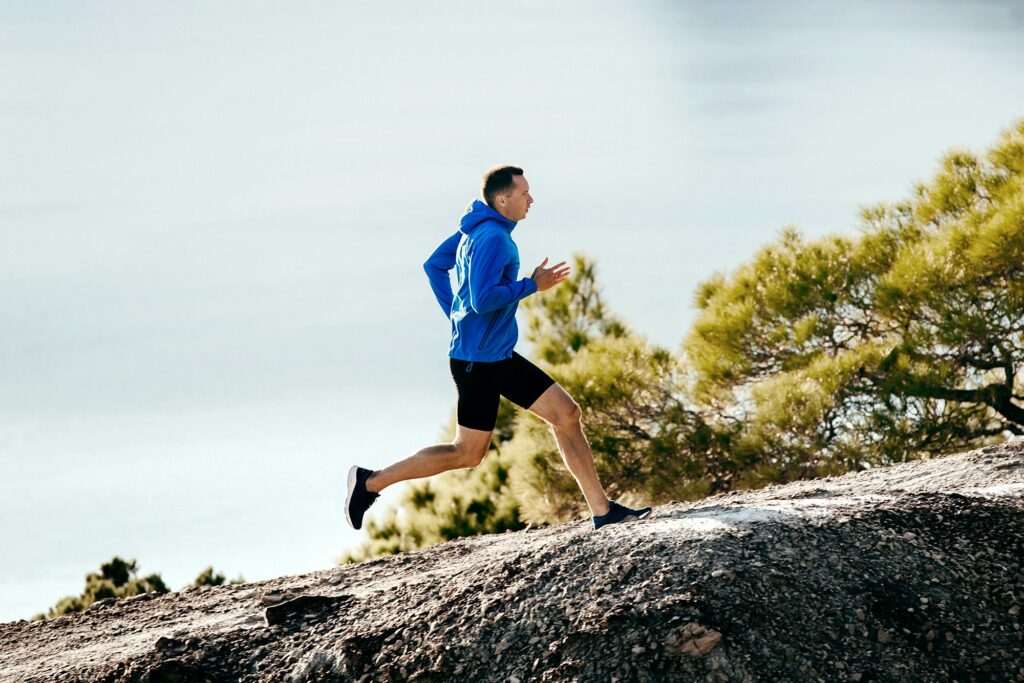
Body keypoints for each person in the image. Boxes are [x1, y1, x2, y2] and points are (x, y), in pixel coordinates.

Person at [345, 165, 651, 532]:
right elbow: (482, 299)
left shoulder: (475, 229)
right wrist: (531, 286)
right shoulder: (492, 238)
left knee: (567, 414)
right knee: (467, 453)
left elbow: (434, 267)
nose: (531, 200)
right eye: (524, 194)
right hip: (478, 363)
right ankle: (369, 483)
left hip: (496, 353)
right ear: (502, 199)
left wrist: (457, 318)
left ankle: (603, 511)